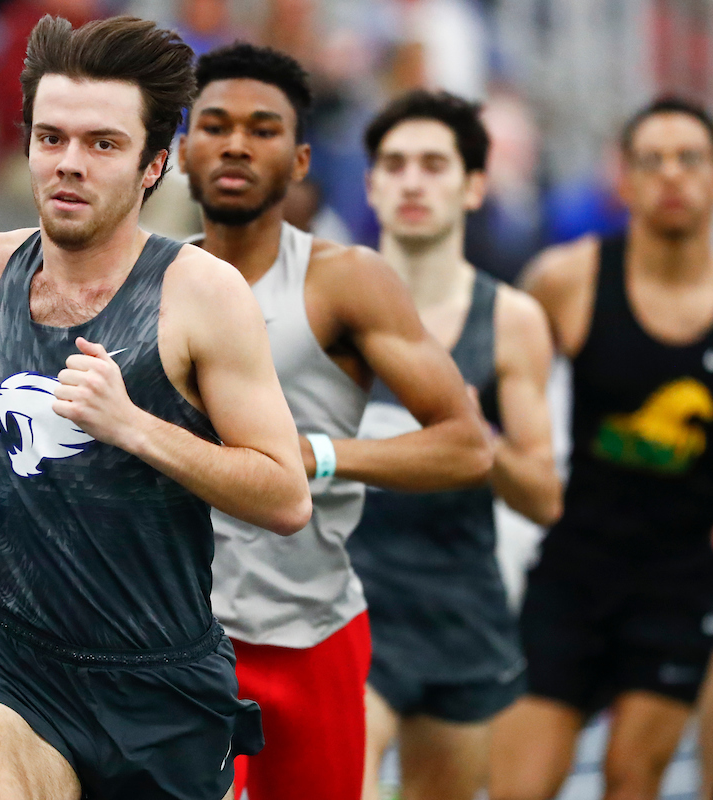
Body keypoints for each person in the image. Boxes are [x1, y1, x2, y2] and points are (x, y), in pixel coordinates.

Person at [0, 16, 313, 800]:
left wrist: (134, 427)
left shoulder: (199, 296)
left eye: (101, 144)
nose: (68, 164)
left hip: (162, 684)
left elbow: (285, 495)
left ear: (152, 165)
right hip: (17, 665)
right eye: (51, 137)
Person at [179, 43, 492, 800]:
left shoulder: (345, 280)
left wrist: (315, 456)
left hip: (312, 631)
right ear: (181, 150)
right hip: (182, 637)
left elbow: (466, 446)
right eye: (215, 125)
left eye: (263, 128)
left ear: (301, 159)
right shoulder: (147, 280)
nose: (236, 144)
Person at [488, 97, 713, 800]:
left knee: (633, 777)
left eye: (688, 158)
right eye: (651, 161)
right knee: (520, 785)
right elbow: (500, 402)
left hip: (678, 581)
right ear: (623, 181)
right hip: (573, 568)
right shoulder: (567, 279)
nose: (671, 176)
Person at [348, 89, 561, 800]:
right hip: (342, 598)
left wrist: (479, 440)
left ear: (474, 186)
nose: (413, 181)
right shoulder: (319, 307)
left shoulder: (512, 320)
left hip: (457, 606)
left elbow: (545, 498)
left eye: (435, 165)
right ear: (371, 183)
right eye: (396, 164)